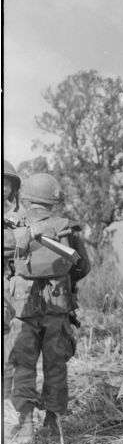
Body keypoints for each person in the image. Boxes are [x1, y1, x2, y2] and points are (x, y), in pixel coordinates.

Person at [6, 173, 90, 443]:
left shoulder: (15, 230)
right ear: (54, 200)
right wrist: (63, 281)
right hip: (57, 306)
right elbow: (83, 267)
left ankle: (27, 424)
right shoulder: (67, 228)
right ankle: (53, 423)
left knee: (24, 366)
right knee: (55, 365)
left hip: (24, 307)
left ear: (26, 197)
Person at [3, 160, 23, 398]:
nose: (3, 189)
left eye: (7, 184)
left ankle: (5, 403)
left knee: (8, 351)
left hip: (8, 294)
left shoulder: (16, 220)